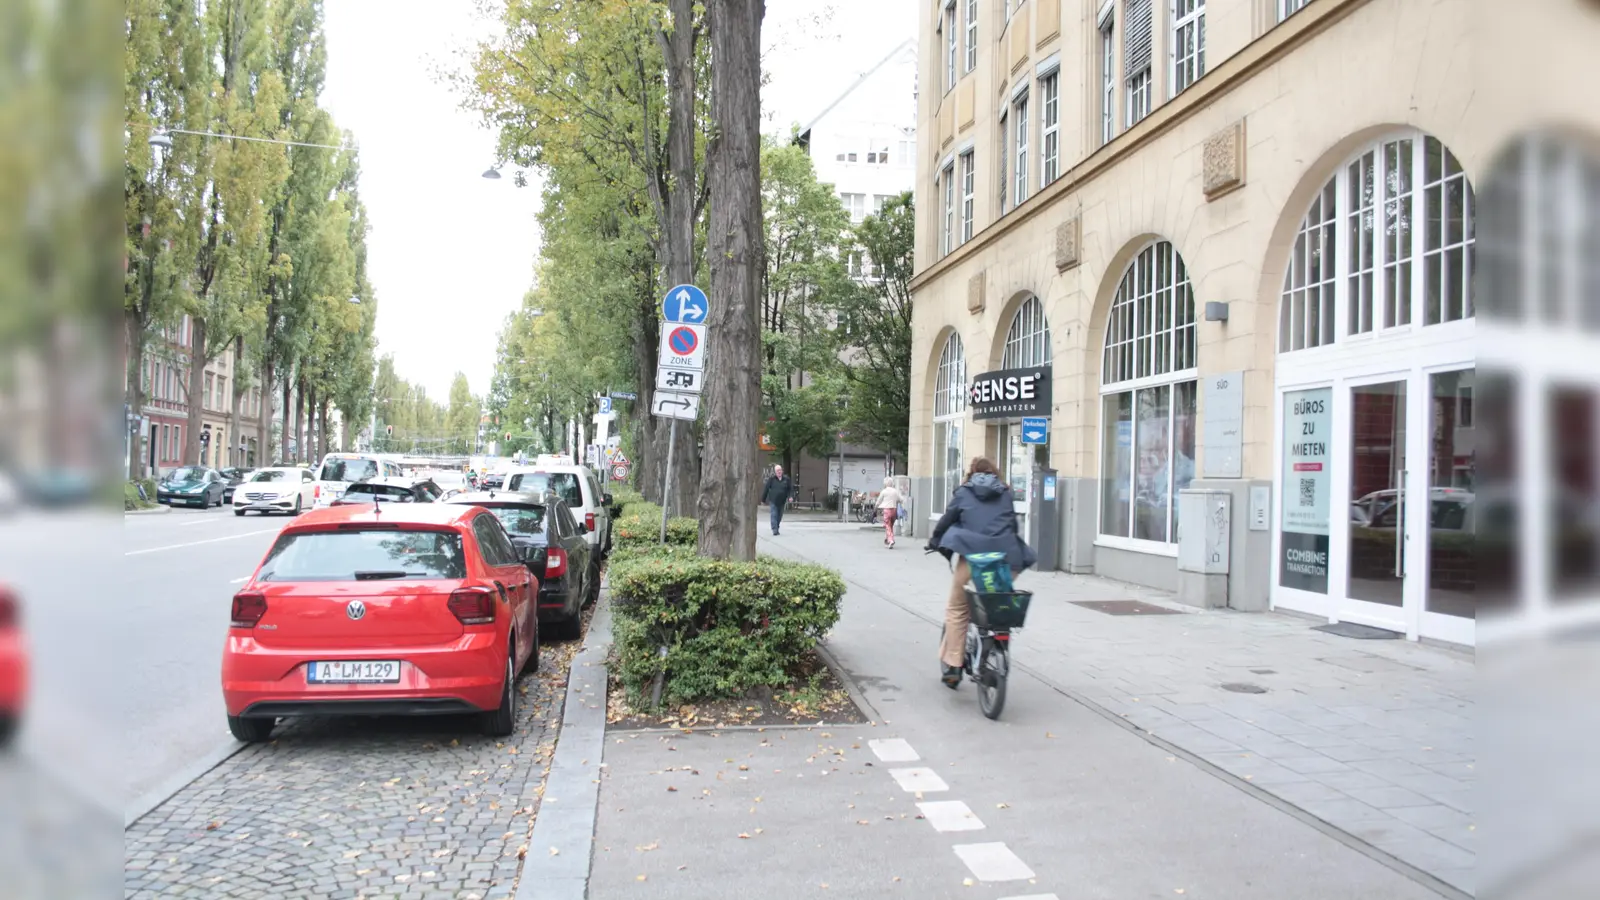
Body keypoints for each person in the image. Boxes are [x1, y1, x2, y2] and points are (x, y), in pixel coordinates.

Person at [928, 456, 1036, 688]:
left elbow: (947, 520)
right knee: (996, 604)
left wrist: (935, 540)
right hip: (1007, 560)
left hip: (973, 559)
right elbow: (1012, 526)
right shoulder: (1005, 493)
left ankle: (954, 666)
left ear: (971, 473)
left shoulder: (964, 492)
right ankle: (995, 640)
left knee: (958, 608)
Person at [762, 465, 793, 536]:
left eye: (780, 470)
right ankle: (774, 529)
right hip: (773, 500)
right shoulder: (772, 479)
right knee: (774, 515)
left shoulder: (786, 479)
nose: (779, 472)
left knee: (779, 515)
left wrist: (790, 496)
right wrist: (763, 499)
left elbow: (790, 489)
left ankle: (777, 526)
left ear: (782, 471)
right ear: (775, 472)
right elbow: (766, 489)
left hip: (782, 501)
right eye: (777, 470)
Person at [876, 476, 905, 548]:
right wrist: (897, 501)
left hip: (887, 510)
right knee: (890, 525)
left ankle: (891, 540)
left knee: (887, 526)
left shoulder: (884, 491)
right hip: (894, 510)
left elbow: (879, 501)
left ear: (885, 484)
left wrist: (876, 506)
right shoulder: (895, 491)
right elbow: (901, 499)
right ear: (892, 483)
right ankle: (887, 539)